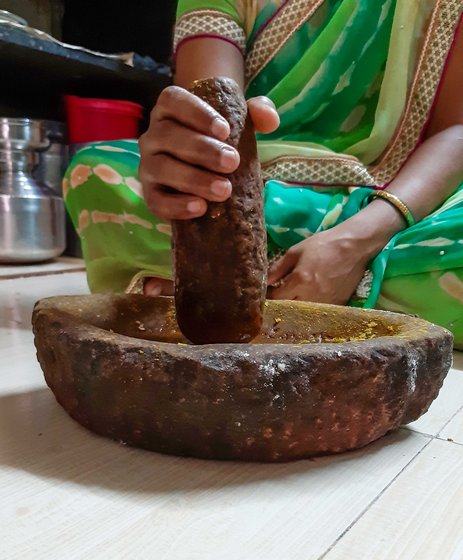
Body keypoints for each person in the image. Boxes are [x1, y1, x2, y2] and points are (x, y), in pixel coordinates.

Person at [63, 0, 463, 348]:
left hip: (407, 203)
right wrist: (180, 163)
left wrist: (355, 243)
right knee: (98, 171)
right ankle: (337, 301)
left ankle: (221, 298)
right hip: (260, 194)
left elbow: (456, 132)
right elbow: (210, 115)